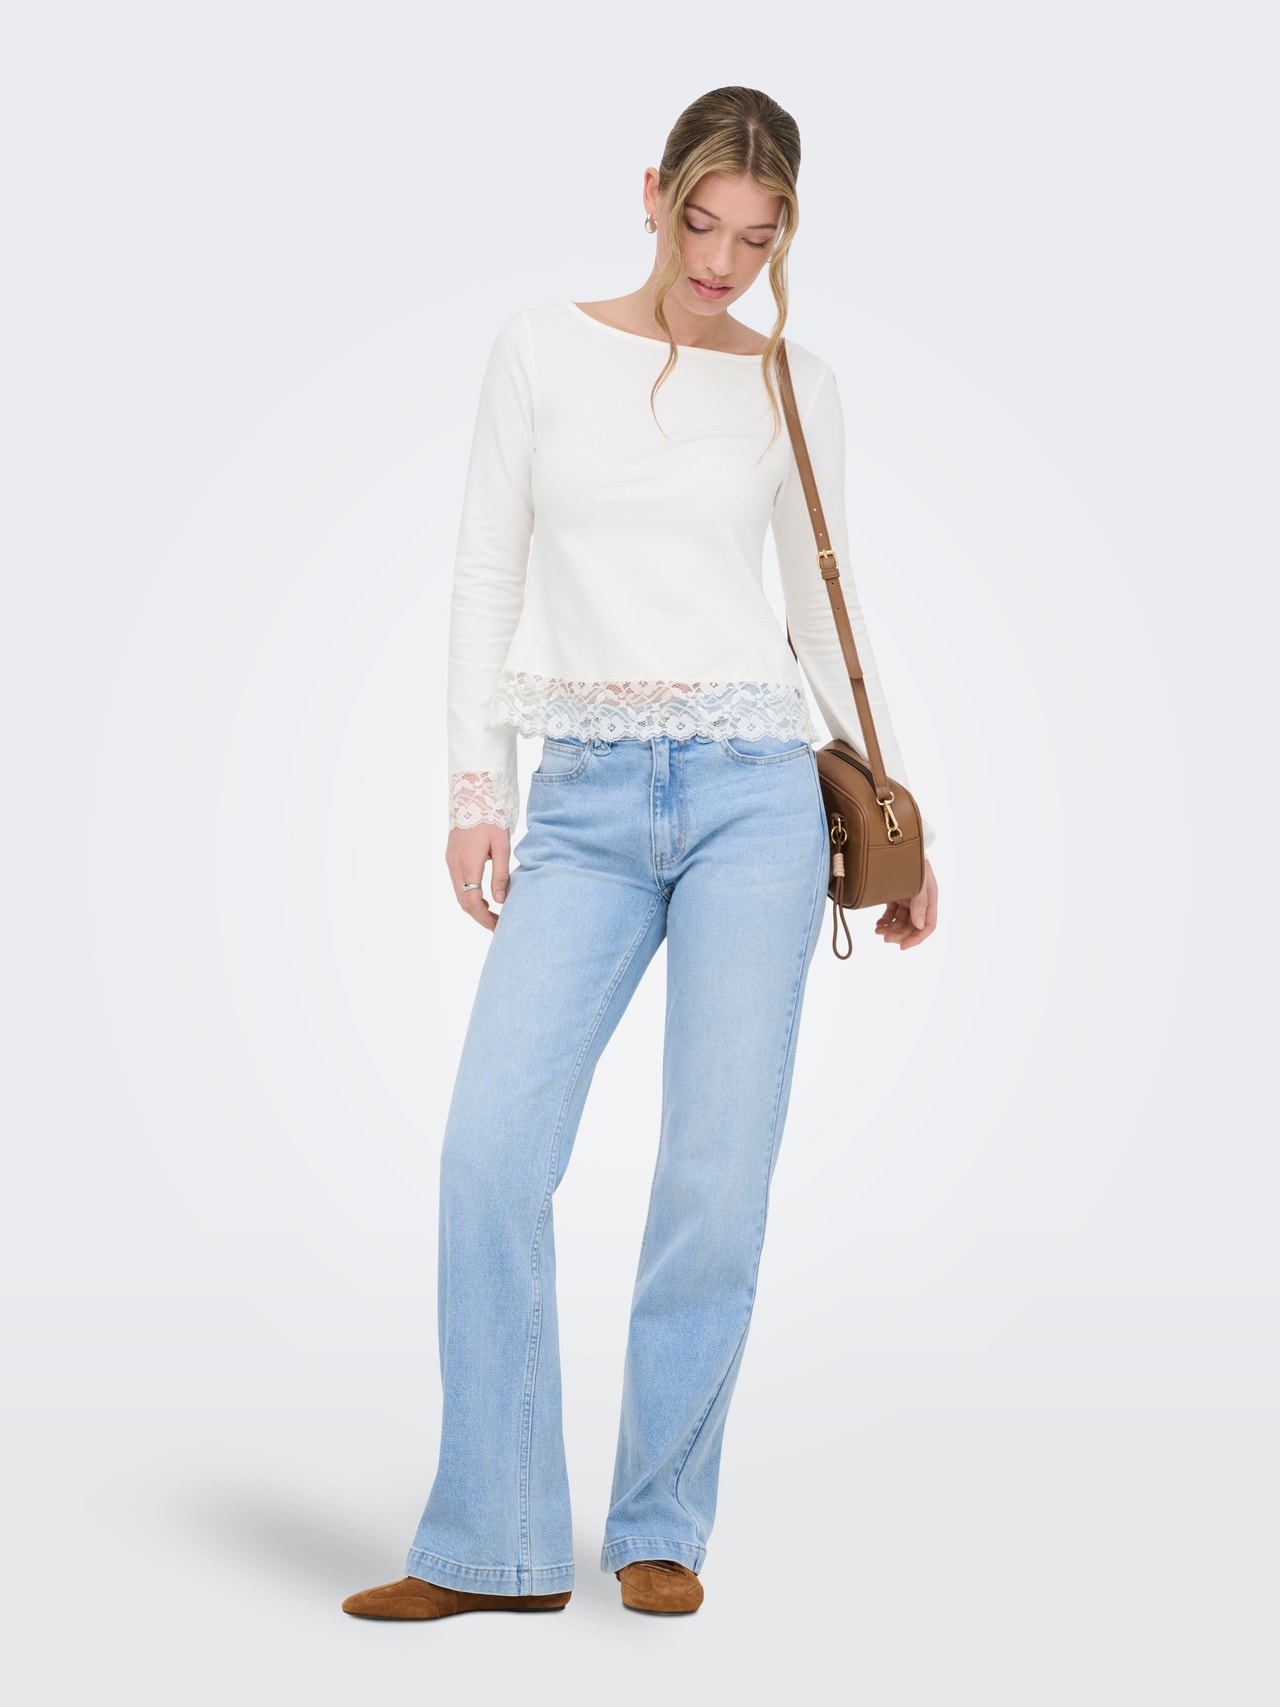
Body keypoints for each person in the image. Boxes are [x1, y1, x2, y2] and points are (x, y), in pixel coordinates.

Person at [342, 84, 938, 1625]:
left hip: (756, 797)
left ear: (787, 233)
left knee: (713, 1179)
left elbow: (824, 609)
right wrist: (475, 789)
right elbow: (486, 570)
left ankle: (660, 1521)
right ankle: (492, 1544)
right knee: (490, 1157)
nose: (723, 262)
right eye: (702, 222)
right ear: (655, 189)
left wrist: (898, 813)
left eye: (760, 238)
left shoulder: (795, 384)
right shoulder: (540, 349)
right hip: (586, 806)